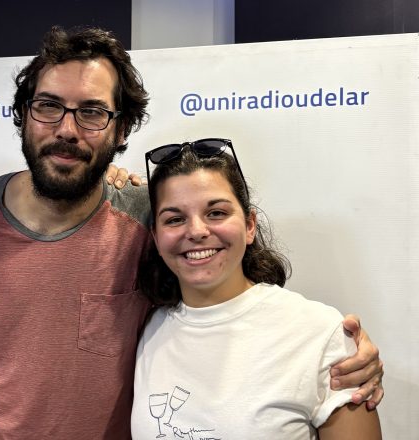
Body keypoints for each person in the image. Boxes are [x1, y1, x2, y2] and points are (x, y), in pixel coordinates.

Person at [0, 26, 383, 438]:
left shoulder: (148, 218)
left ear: (121, 129)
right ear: (24, 114)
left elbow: (233, 296)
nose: (67, 129)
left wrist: (335, 349)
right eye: (48, 106)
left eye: (92, 112)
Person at [132, 139, 382, 439]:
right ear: (156, 238)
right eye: (175, 219)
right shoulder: (147, 328)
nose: (197, 231)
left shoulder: (320, 333)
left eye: (216, 213)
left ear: (250, 225)